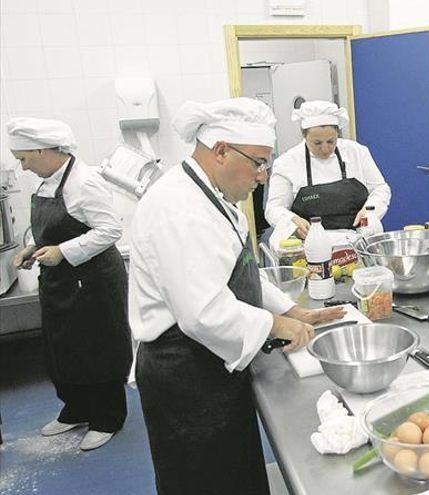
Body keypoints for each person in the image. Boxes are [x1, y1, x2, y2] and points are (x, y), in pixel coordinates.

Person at [127, 97, 345, 494]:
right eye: (258, 163)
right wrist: (276, 325)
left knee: (235, 474)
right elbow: (203, 313)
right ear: (221, 150)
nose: (263, 176)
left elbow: (240, 271)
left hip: (212, 362)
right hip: (186, 371)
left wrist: (291, 309)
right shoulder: (179, 208)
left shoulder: (214, 197)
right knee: (205, 481)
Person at [8, 118, 131, 451]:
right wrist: (32, 248)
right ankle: (76, 408)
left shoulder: (84, 182)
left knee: (97, 346)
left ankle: (107, 418)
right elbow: (49, 228)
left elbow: (110, 230)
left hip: (94, 280)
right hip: (60, 280)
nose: (23, 167)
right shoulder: (45, 184)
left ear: (42, 150)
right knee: (62, 346)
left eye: (24, 159)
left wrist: (63, 251)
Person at [264, 100, 391, 239]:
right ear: (304, 136)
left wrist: (370, 211)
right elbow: (274, 209)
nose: (325, 149)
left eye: (331, 141)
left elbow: (381, 189)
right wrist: (292, 221)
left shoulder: (357, 152)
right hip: (310, 242)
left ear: (338, 134)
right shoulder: (286, 163)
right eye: (317, 143)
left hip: (359, 239)